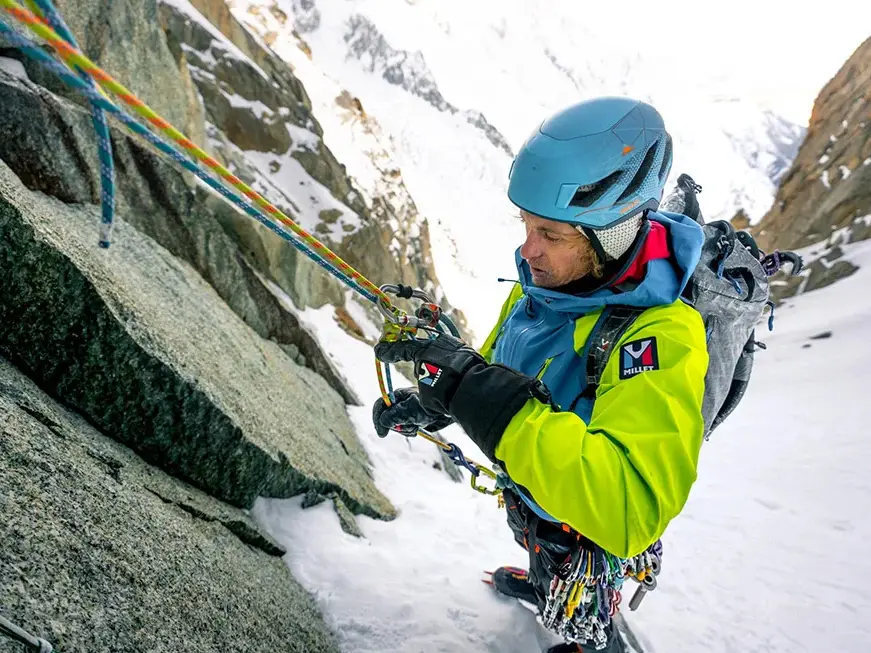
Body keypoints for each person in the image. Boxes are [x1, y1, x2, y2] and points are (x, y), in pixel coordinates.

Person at [372, 96, 709, 652]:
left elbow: (628, 507)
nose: (528, 250)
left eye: (551, 234)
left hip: (582, 531)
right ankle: (546, 580)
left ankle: (596, 640)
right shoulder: (544, 285)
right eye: (526, 225)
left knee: (582, 607)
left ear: (615, 230)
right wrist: (440, 398)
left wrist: (482, 397)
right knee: (538, 543)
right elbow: (499, 364)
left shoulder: (661, 335)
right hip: (532, 495)